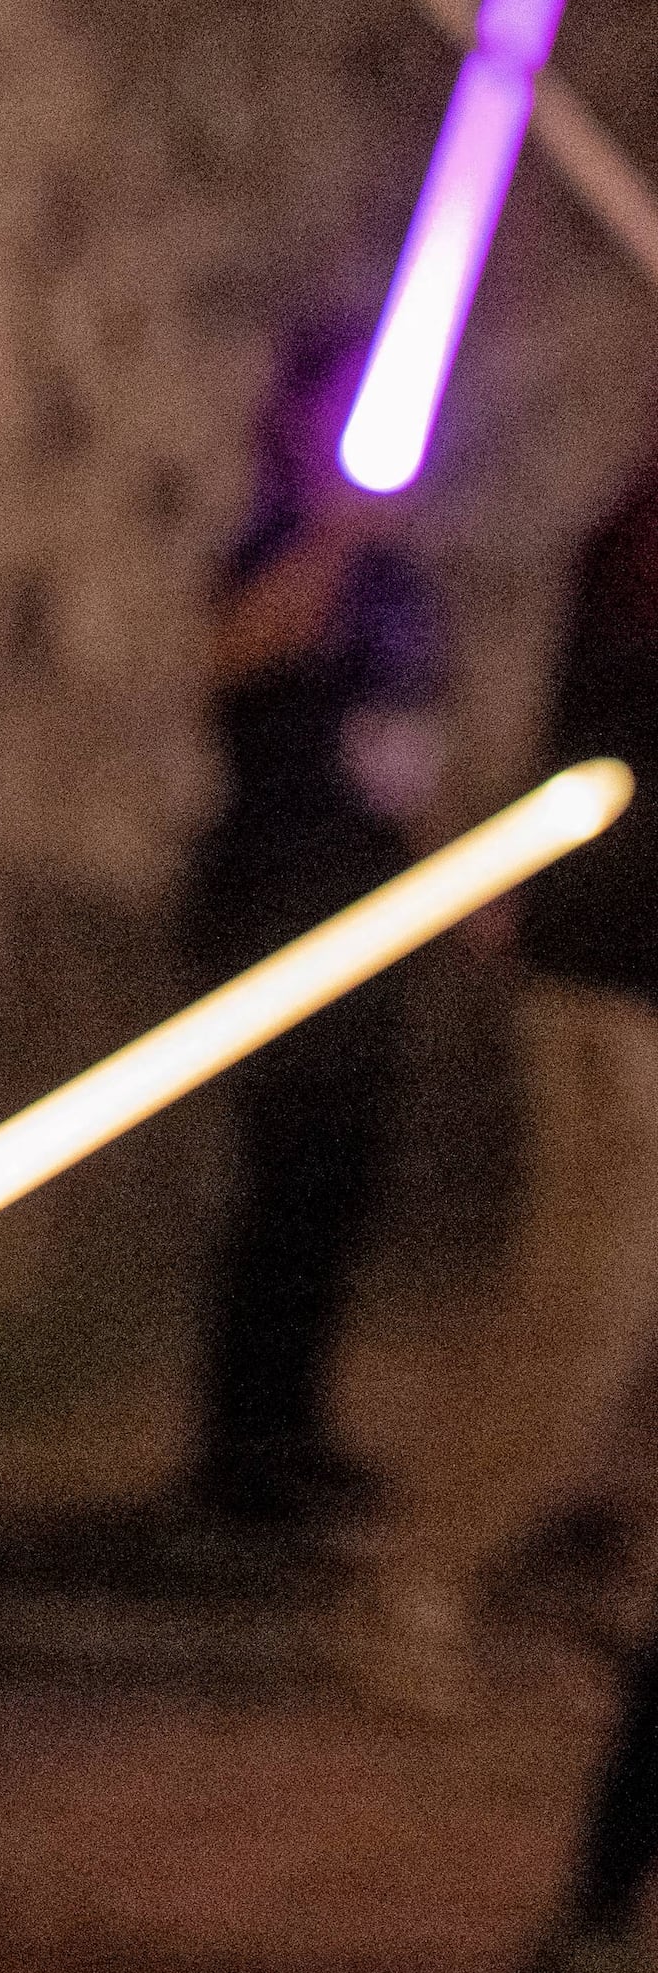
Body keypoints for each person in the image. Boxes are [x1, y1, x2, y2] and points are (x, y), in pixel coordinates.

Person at [345, 434, 658, 1720]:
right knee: (580, 1305)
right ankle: (414, 1583)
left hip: (610, 955)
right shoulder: (633, 547)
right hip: (609, 975)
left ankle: (628, 1601)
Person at [187, 318, 449, 1531]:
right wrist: (332, 537)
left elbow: (409, 741)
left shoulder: (401, 586)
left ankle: (298, 1425)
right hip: (269, 895)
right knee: (281, 1177)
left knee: (344, 1180)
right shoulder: (272, 549)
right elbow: (229, 662)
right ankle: (236, 1446)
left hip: (368, 897)